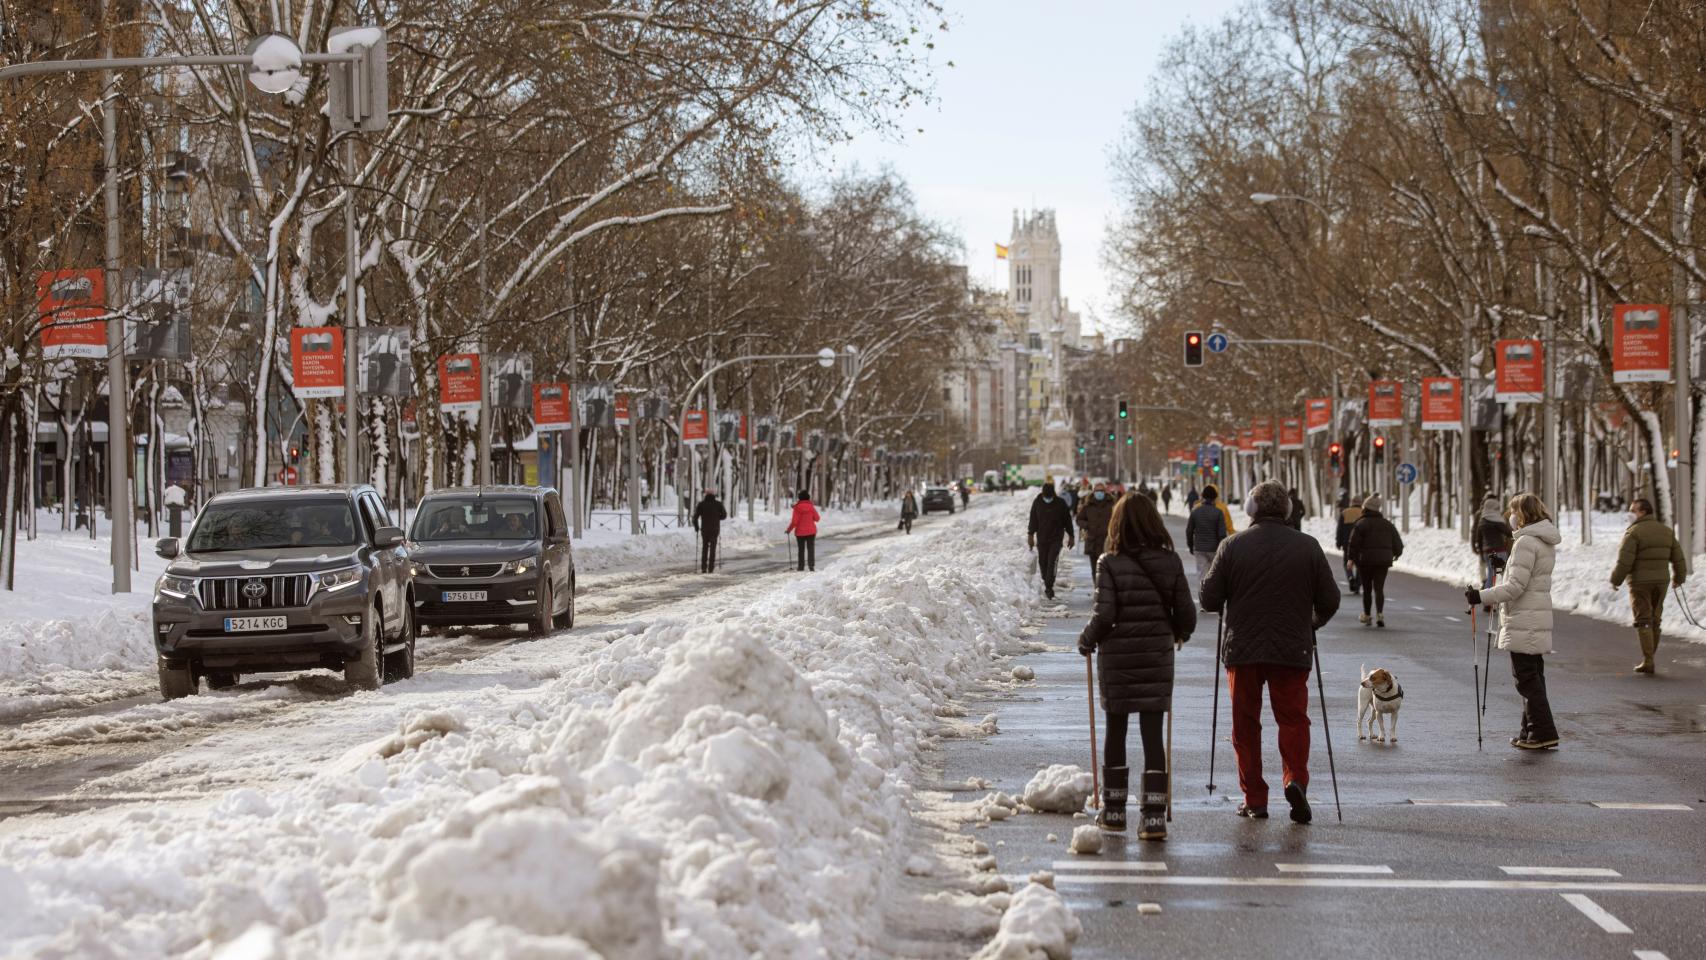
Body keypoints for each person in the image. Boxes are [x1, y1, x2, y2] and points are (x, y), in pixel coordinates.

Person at [1201, 480, 1340, 823]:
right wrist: (1312, 623)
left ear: (1251, 509)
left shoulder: (1232, 546)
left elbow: (1209, 599)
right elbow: (1330, 599)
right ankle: (1295, 779)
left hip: (1243, 651)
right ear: (1287, 510)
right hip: (1292, 648)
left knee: (1245, 726)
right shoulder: (1308, 547)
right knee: (1293, 719)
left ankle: (1254, 798)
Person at [1078, 493, 1196, 839]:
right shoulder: (1170, 561)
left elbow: (1104, 615)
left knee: (1116, 730)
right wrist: (1178, 633)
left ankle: (1113, 811)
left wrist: (1086, 640)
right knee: (1152, 734)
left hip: (1117, 658)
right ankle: (1154, 817)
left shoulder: (1109, 562)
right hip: (1157, 657)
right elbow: (1186, 613)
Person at [1465, 494, 1561, 750]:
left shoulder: (1526, 541)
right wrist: (1505, 565)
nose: (1511, 516)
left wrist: (1479, 596)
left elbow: (1515, 587)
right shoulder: (1541, 539)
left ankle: (1543, 732)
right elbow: (1525, 575)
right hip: (1534, 616)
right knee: (1533, 677)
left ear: (1523, 514)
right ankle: (1529, 731)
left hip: (1524, 619)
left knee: (1526, 679)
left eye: (1513, 511)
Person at [1609, 497, 1688, 674]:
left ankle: (1648, 660)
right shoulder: (1666, 531)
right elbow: (1678, 557)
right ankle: (1649, 657)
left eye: (1633, 510)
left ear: (1643, 512)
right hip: (1661, 581)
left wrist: (1616, 580)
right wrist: (1679, 578)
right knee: (1655, 619)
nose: (1630, 514)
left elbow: (1625, 560)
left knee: (1643, 620)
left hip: (1639, 583)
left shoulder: (1634, 533)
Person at [1346, 495, 1403, 627]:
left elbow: (1353, 543)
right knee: (1379, 588)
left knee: (1367, 589)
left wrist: (1351, 558)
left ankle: (1367, 615)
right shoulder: (1388, 524)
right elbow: (1398, 543)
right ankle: (1380, 614)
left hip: (1365, 561)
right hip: (1383, 561)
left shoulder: (1361, 524)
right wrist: (1396, 554)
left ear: (1366, 508)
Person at [1027, 481, 1076, 599]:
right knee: (1043, 563)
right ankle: (1047, 581)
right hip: (1042, 538)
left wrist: (1071, 536)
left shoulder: (1060, 503)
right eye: (1046, 497)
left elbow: (1067, 521)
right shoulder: (1037, 503)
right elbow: (1033, 520)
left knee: (1052, 561)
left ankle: (1049, 587)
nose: (1047, 499)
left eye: (1050, 497)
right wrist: (1030, 535)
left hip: (1056, 539)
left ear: (1053, 494)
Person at [1184, 484, 1230, 585]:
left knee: (1202, 575)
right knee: (1215, 575)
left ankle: (1203, 597)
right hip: (1215, 550)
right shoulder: (1218, 513)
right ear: (1215, 497)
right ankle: (1213, 597)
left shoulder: (1195, 511)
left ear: (1203, 496)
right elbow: (1222, 534)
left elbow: (1189, 531)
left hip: (1200, 549)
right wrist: (1223, 550)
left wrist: (1191, 546)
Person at [1472, 495, 1513, 593]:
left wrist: (1481, 554)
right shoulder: (1497, 520)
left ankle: (1487, 599)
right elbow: (1508, 532)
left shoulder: (1482, 521)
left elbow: (1479, 539)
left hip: (1487, 552)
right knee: (1505, 574)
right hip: (1499, 551)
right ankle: (1507, 596)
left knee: (1491, 575)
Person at [1077, 482, 1116, 583]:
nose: (1099, 493)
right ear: (1093, 492)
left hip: (1107, 542)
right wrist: (1087, 525)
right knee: (1095, 569)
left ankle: (1106, 588)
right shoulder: (1088, 505)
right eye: (1097, 491)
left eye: (1101, 491)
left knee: (1107, 568)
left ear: (1105, 492)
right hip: (1092, 542)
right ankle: (1097, 588)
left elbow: (1118, 519)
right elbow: (1079, 519)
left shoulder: (1112, 505)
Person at [1334, 493, 1365, 595]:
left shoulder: (1345, 513)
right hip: (1361, 545)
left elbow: (1340, 530)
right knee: (1360, 565)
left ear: (1352, 502)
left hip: (1347, 544)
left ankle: (1350, 577)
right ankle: (1357, 585)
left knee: (1347, 563)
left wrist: (1339, 542)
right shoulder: (1364, 513)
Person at [692, 489, 727, 573]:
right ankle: (711, 568)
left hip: (705, 529)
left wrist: (696, 527)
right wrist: (718, 517)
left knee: (705, 548)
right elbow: (724, 515)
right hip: (715, 529)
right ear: (714, 495)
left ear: (706, 495)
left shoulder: (701, 504)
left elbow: (695, 518)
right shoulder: (718, 504)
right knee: (713, 548)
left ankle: (703, 567)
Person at [786, 489, 821, 571]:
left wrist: (789, 530)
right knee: (811, 549)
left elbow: (794, 522)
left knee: (801, 550)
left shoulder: (797, 508)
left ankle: (801, 567)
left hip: (800, 532)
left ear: (800, 498)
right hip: (811, 532)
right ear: (808, 498)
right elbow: (817, 518)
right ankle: (811, 566)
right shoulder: (811, 507)